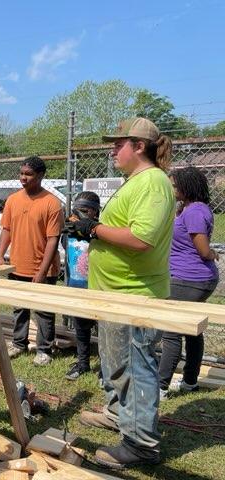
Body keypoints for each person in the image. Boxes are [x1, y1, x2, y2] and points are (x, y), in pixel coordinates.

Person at [76, 117, 175, 469]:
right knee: (117, 364)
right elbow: (123, 231)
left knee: (135, 366)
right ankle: (119, 414)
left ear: (140, 146)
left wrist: (96, 228)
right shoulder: (138, 181)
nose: (112, 149)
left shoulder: (152, 183)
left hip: (135, 294)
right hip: (116, 291)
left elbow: (141, 239)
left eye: (119, 144)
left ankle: (141, 444)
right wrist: (91, 232)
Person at [0, 156, 64, 366]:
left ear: (41, 175)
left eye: (28, 174)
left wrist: (42, 271)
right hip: (18, 265)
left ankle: (44, 349)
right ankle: (19, 343)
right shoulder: (13, 200)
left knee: (43, 310)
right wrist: (0, 256)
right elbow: (7, 229)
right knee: (19, 307)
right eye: (21, 174)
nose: (23, 178)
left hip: (43, 269)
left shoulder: (51, 203)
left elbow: (53, 239)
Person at [159, 166, 219, 398]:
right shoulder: (192, 209)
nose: (172, 189)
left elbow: (203, 250)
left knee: (172, 332)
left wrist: (212, 253)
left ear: (187, 187)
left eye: (175, 186)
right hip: (195, 278)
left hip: (189, 279)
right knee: (193, 331)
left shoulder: (194, 212)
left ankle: (160, 387)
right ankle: (190, 381)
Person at [62, 191, 101, 380]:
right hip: (76, 284)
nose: (79, 215)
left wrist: (88, 231)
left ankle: (106, 368)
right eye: (77, 210)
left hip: (97, 287)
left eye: (85, 211)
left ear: (95, 212)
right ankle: (83, 363)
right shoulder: (70, 228)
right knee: (81, 327)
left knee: (104, 329)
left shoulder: (100, 231)